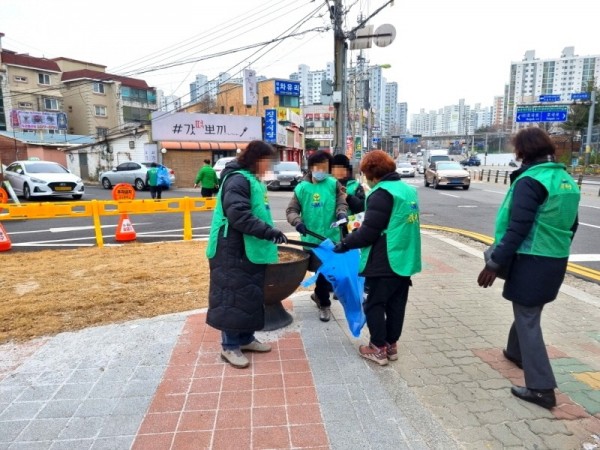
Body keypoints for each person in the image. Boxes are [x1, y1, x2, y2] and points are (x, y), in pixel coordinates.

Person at [477, 127, 580, 409]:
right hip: (555, 259)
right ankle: (515, 352)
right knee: (529, 311)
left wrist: (495, 263)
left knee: (527, 317)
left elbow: (518, 227)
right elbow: (573, 225)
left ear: (522, 151)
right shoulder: (565, 179)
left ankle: (541, 388)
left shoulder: (530, 181)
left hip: (531, 259)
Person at [332, 150, 421, 366]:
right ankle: (391, 345)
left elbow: (369, 232)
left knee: (373, 304)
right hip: (405, 257)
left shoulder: (382, 193)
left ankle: (377, 348)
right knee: (396, 304)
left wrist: (345, 244)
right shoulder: (408, 191)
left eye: (365, 174)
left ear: (372, 174)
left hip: (385, 259)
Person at [206, 141, 288, 369]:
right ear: (255, 159)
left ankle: (245, 338)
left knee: (249, 294)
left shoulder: (252, 180)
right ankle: (229, 346)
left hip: (248, 247)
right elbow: (238, 215)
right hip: (231, 249)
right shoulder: (238, 180)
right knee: (232, 296)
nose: (269, 166)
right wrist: (268, 232)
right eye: (267, 161)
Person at [286, 150, 348, 322]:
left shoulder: (333, 184)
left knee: (326, 273)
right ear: (311, 167)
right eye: (318, 167)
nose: (322, 171)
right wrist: (297, 222)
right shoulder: (301, 188)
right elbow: (291, 210)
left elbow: (341, 201)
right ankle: (322, 300)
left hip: (331, 237)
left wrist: (342, 213)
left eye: (325, 167)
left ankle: (322, 301)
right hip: (311, 238)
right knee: (320, 272)